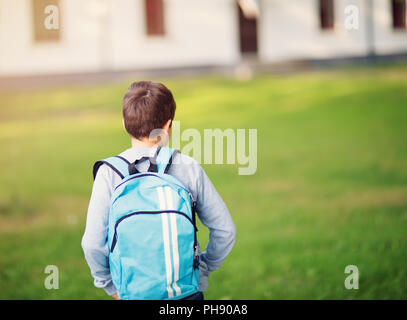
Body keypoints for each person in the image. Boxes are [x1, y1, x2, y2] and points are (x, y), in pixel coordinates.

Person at [81, 80, 236, 300]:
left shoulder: (109, 173)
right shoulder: (187, 167)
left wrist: (110, 286)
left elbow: (92, 244)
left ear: (125, 123)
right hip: (185, 293)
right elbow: (225, 230)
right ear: (167, 126)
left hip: (131, 293)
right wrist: (201, 271)